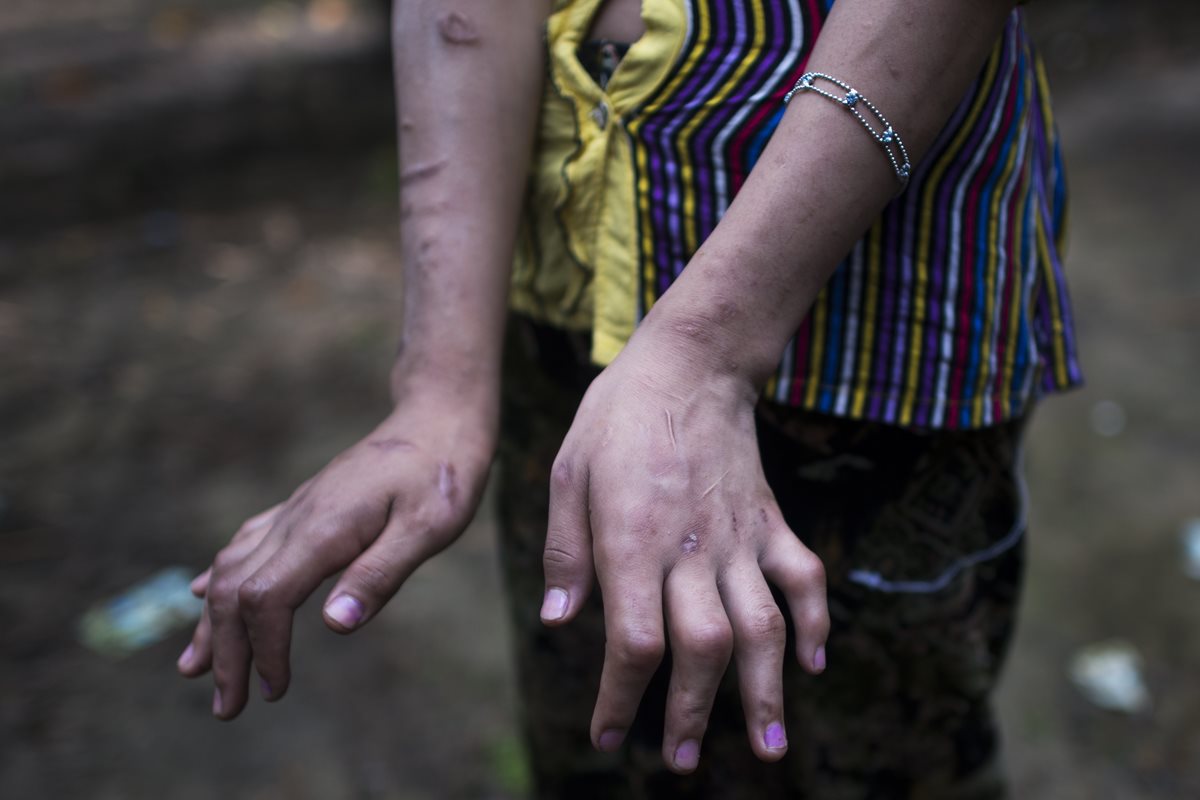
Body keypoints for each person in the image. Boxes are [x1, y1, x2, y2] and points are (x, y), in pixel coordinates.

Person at [178, 0, 1081, 796]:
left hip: (872, 277)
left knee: (867, 751)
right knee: (607, 727)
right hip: (568, 255)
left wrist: (707, 351)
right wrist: (439, 390)